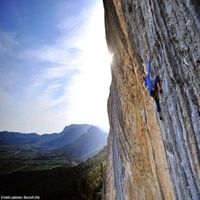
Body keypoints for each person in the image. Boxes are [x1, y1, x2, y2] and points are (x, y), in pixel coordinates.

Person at [143, 53, 163, 120]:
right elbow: (149, 68)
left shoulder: (146, 82)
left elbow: (147, 87)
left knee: (157, 103)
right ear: (145, 77)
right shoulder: (147, 78)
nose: (146, 75)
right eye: (145, 75)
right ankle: (159, 89)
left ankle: (159, 115)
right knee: (157, 78)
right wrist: (148, 58)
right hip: (152, 89)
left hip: (152, 93)